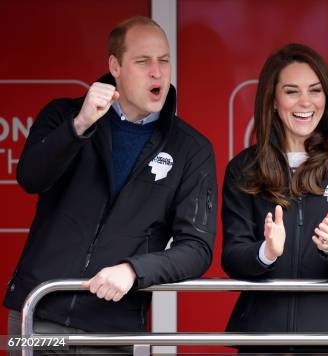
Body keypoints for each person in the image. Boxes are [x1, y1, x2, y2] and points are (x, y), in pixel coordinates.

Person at [4, 16, 217, 353]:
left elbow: (197, 248)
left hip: (111, 328)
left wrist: (134, 270)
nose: (157, 72)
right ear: (115, 66)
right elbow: (30, 178)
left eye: (164, 60)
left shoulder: (191, 149)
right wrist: (80, 125)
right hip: (38, 313)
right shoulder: (64, 115)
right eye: (143, 61)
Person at [221, 43, 328, 353]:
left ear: (326, 98)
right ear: (273, 100)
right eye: (291, 91)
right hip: (261, 339)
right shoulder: (243, 167)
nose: (305, 102)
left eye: (315, 90)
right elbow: (232, 257)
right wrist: (266, 251)